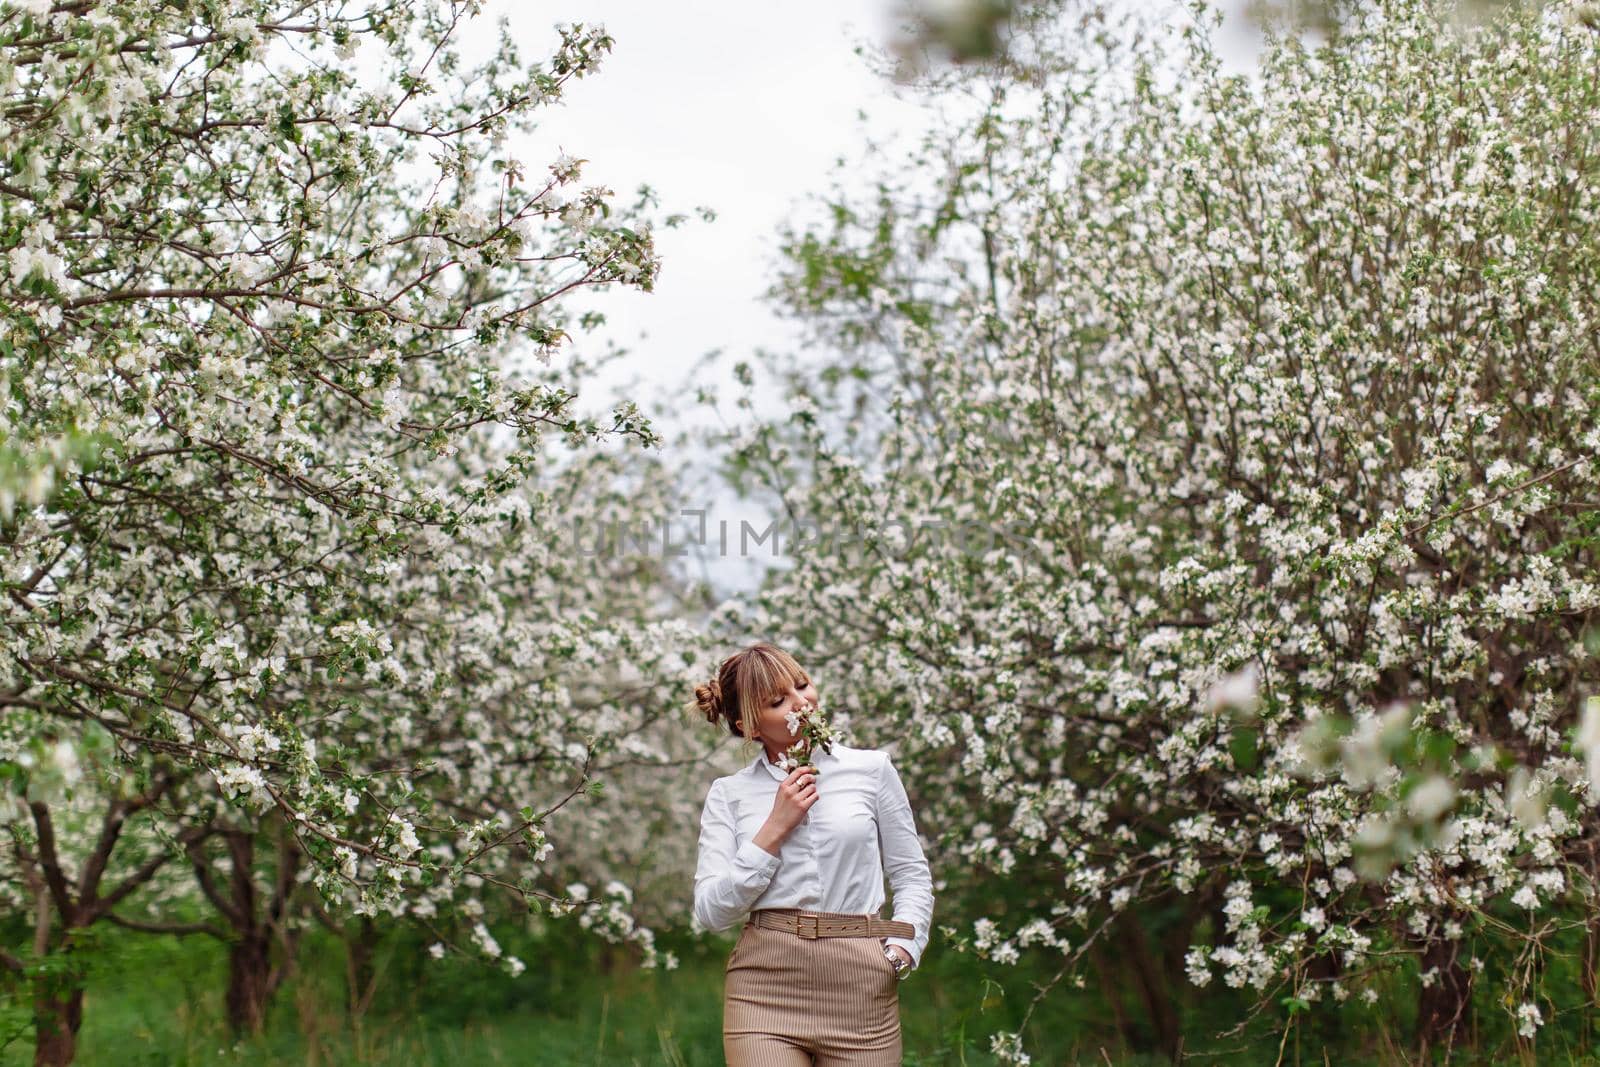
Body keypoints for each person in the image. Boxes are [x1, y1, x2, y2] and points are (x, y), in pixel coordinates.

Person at [692, 642, 935, 1066]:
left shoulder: (871, 769)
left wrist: (901, 953)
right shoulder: (729, 795)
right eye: (778, 700)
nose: (801, 703)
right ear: (749, 725)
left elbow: (911, 873)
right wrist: (774, 827)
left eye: (802, 685)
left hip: (862, 982)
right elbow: (712, 913)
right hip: (764, 986)